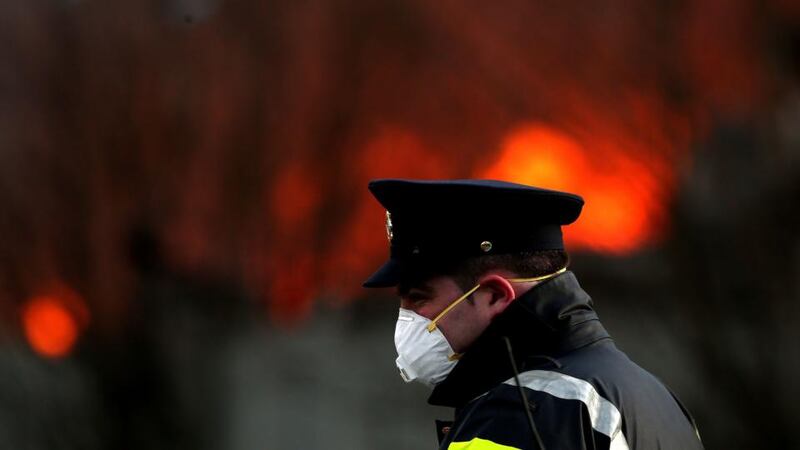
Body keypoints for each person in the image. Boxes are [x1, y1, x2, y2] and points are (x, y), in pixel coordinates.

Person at [362, 179, 704, 450]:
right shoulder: (652, 395)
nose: (406, 318)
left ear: (495, 295)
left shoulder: (521, 411)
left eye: (418, 298)